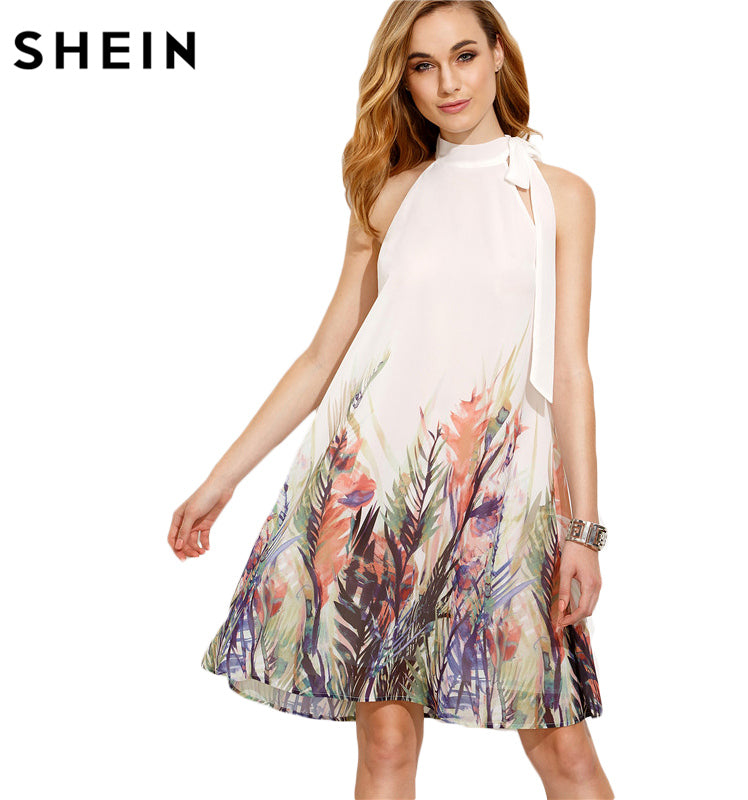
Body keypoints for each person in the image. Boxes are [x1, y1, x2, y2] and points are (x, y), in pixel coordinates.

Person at [168, 2, 614, 798]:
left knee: (563, 750)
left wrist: (584, 531)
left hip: (502, 502)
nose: (448, 83)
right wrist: (219, 481)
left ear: (498, 56)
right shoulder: (388, 195)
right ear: (403, 81)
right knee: (385, 744)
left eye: (464, 55)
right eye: (423, 65)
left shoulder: (560, 196)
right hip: (377, 494)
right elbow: (321, 360)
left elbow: (572, 371)